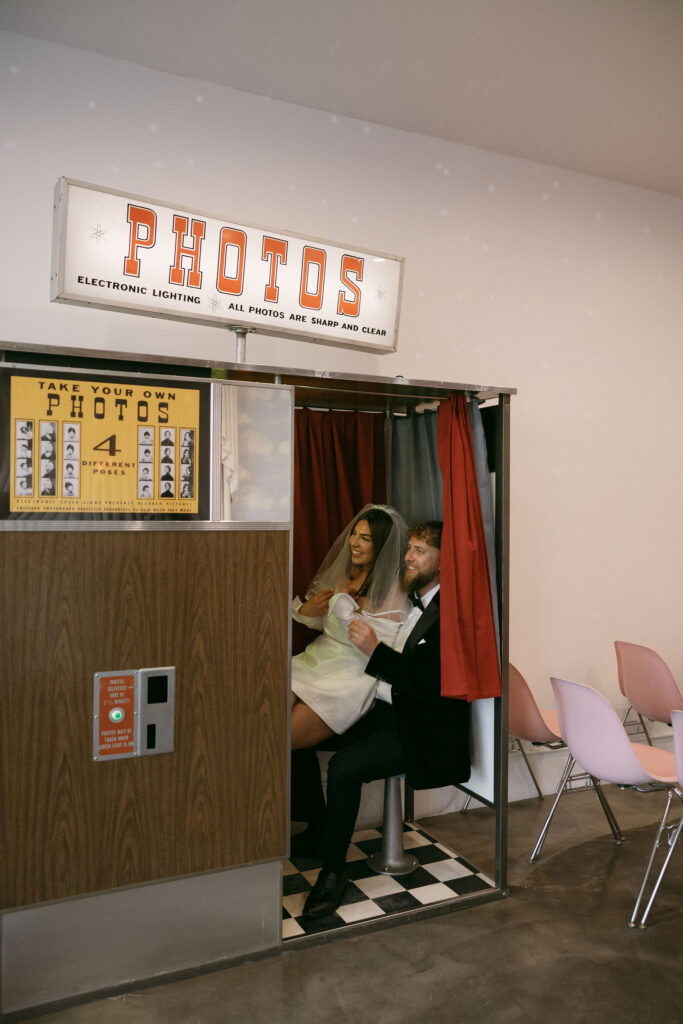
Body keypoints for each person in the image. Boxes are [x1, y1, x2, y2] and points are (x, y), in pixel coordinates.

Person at [293, 520, 471, 919]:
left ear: (445, 562)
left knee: (343, 768)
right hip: (389, 712)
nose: (408, 556)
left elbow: (433, 684)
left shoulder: (451, 614)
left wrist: (374, 651)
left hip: (420, 727)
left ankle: (333, 871)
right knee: (295, 739)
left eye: (421, 550)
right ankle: (317, 831)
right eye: (409, 548)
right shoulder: (416, 602)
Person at [290, 505, 413, 750]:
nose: (354, 543)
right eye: (354, 534)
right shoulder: (345, 577)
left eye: (365, 538)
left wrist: (343, 607)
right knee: (259, 717)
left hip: (347, 678)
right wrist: (308, 610)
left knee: (282, 737)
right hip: (313, 661)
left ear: (382, 545)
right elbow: (326, 624)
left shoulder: (398, 592)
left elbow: (388, 649)